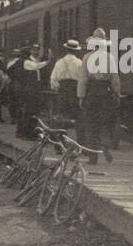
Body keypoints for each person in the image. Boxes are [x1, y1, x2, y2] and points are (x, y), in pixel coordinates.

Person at [79, 34, 120, 164]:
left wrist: (81, 96)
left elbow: (83, 79)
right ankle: (105, 144)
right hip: (105, 91)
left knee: (91, 123)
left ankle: (93, 156)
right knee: (104, 121)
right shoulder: (110, 57)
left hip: (92, 91)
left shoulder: (87, 57)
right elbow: (115, 78)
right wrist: (117, 94)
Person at [13, 46, 49, 138]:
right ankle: (27, 133)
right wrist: (48, 61)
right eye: (33, 50)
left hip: (31, 89)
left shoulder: (29, 61)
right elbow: (36, 66)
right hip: (29, 90)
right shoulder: (26, 62)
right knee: (30, 111)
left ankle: (25, 132)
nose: (35, 52)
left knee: (29, 111)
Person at [50, 39, 85, 127]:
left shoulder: (59, 62)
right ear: (76, 51)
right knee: (76, 115)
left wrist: (57, 88)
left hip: (63, 89)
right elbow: (83, 79)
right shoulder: (79, 63)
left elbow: (53, 79)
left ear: (66, 50)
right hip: (75, 90)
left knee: (62, 114)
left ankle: (62, 134)